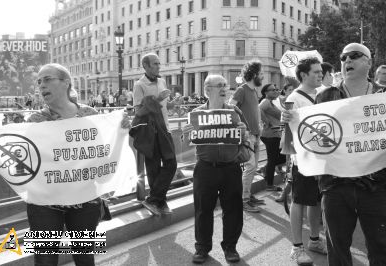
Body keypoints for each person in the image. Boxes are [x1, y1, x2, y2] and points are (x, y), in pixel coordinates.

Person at [26, 63, 130, 266]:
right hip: (44, 203)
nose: (41, 85)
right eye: (39, 81)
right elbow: (27, 164)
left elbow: (103, 163)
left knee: (84, 258)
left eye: (47, 79)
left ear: (66, 82)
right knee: (45, 260)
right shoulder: (34, 121)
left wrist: (120, 133)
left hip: (85, 202)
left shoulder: (91, 116)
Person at [314, 43, 386, 266]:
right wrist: (293, 122)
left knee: (380, 248)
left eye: (354, 56)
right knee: (338, 250)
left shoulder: (382, 97)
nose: (347, 61)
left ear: (369, 62)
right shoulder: (325, 97)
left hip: (376, 186)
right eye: (343, 57)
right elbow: (314, 134)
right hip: (336, 186)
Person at [183, 74, 247, 264]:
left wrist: (243, 132)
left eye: (225, 85)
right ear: (207, 90)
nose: (224, 88)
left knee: (233, 209)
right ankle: (202, 248)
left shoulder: (234, 111)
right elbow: (188, 143)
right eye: (219, 85)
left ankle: (230, 247)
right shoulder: (196, 114)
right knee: (203, 210)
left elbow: (245, 138)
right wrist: (186, 134)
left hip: (231, 167)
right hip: (205, 168)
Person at [285, 57, 327, 265]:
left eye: (321, 72)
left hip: (323, 158)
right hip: (303, 159)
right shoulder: (294, 98)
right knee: (299, 201)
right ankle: (296, 246)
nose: (321, 74)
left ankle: (314, 240)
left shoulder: (324, 93)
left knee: (316, 199)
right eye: (316, 72)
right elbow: (290, 131)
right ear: (303, 75)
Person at [133, 53, 177, 215]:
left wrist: (171, 104)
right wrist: (156, 100)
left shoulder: (162, 81)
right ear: (145, 66)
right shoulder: (139, 85)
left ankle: (154, 199)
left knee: (171, 164)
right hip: (150, 131)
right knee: (153, 168)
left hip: (165, 128)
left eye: (159, 63)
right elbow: (139, 111)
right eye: (155, 64)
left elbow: (163, 107)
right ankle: (160, 201)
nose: (159, 66)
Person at [229, 60, 265, 213]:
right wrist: (242, 128)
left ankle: (248, 196)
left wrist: (259, 125)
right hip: (247, 135)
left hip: (256, 133)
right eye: (261, 74)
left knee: (253, 167)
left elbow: (254, 110)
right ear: (254, 74)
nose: (263, 77)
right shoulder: (242, 90)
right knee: (250, 167)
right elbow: (231, 107)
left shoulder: (253, 91)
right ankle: (243, 200)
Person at [259, 84, 286, 192]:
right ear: (266, 92)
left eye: (276, 89)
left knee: (281, 157)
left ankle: (265, 169)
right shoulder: (265, 101)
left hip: (275, 134)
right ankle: (269, 184)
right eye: (273, 90)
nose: (276, 91)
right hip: (270, 135)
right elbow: (258, 109)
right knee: (273, 159)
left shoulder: (271, 103)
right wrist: (267, 122)